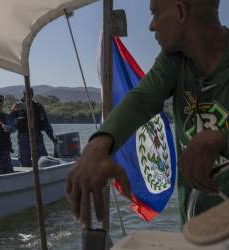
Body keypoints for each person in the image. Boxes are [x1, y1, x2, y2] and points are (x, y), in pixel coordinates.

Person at [66, 0, 229, 227]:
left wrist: (220, 138)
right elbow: (142, 99)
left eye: (155, 13)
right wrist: (99, 144)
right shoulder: (174, 60)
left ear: (181, 11)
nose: (151, 25)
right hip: (196, 226)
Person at [10, 88, 57, 167]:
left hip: (37, 136)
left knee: (43, 159)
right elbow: (8, 121)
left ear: (32, 95)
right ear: (23, 95)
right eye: (26, 94)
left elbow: (46, 125)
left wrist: (52, 139)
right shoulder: (17, 106)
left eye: (30, 95)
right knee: (24, 161)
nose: (28, 97)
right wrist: (12, 110)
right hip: (23, 137)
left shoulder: (38, 106)